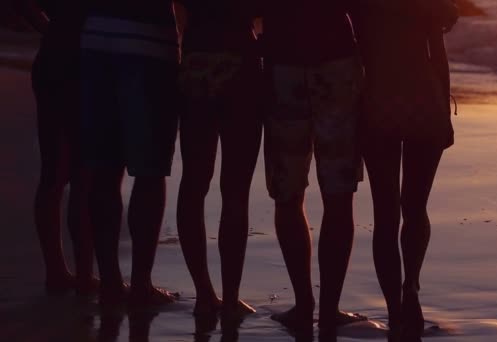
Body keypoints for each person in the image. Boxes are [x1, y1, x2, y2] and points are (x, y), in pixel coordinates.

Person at [259, 0, 367, 334]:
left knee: (288, 191)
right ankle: (328, 308)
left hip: (283, 63)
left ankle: (305, 305)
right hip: (335, 59)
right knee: (338, 191)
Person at [353, 0, 458, 340]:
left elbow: (351, 51)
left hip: (377, 98)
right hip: (423, 96)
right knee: (415, 207)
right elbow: (437, 54)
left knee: (385, 213)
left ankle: (394, 308)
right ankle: (411, 287)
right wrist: (443, 107)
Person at [79, 0, 180, 308]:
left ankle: (111, 282)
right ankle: (140, 284)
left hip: (96, 38)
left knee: (106, 168)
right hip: (148, 41)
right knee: (149, 171)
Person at [173, 0, 261, 324]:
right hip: (241, 61)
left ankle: (204, 294)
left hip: (197, 57)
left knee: (194, 182)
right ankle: (230, 298)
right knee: (236, 189)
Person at [13, 0, 97, 295]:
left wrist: (50, 29)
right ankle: (68, 272)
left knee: (63, 174)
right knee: (69, 174)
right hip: (69, 60)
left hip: (63, 57)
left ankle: (69, 271)